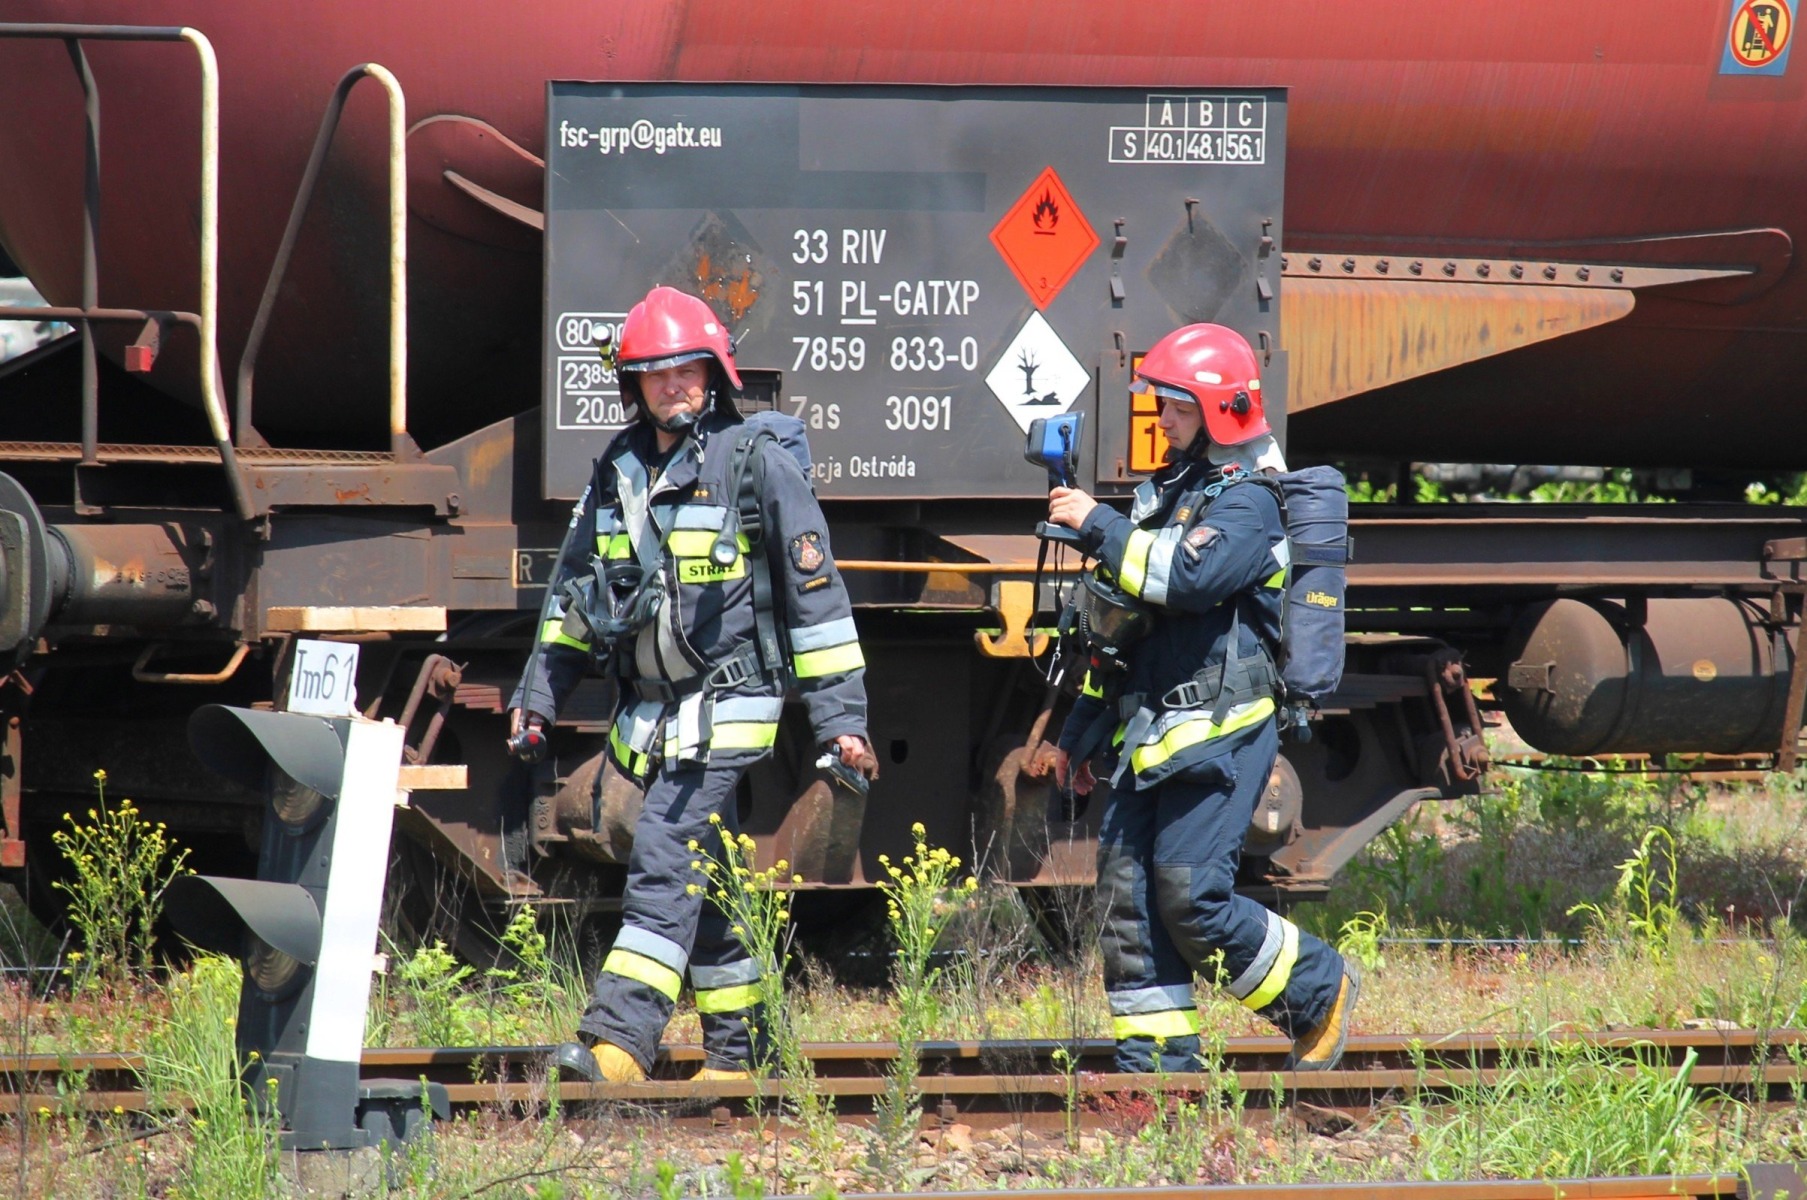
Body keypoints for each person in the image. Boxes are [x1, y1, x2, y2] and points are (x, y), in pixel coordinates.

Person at [509, 285, 877, 1083]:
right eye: (656, 375)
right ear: (634, 385)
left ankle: (618, 1042)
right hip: (653, 711)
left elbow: (818, 600)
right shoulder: (618, 472)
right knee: (703, 877)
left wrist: (840, 720)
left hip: (730, 705)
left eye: (686, 371)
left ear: (714, 372)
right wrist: (539, 695)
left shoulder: (754, 462)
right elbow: (576, 592)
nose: (673, 387)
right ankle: (741, 1055)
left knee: (664, 854)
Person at [1046, 323, 1358, 1074]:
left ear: (1221, 409)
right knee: (1129, 905)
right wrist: (1078, 734)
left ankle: (1319, 989)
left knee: (1191, 901)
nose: (1162, 418)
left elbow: (1181, 582)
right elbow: (1118, 631)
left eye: (1176, 405)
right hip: (1147, 734)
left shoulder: (1247, 503)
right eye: (1159, 403)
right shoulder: (1169, 496)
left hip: (1219, 732)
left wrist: (1096, 522)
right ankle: (1156, 1073)